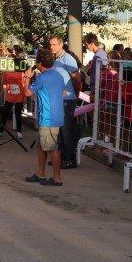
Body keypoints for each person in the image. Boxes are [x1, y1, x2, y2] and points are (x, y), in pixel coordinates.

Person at [22, 49, 66, 186]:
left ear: (39, 63)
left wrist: (27, 77)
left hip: (48, 117)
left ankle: (57, 178)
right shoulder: (57, 75)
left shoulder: (42, 77)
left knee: (52, 148)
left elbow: (27, 93)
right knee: (41, 146)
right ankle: (40, 173)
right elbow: (63, 92)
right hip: (53, 116)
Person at [48, 35, 82, 168]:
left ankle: (70, 158)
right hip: (57, 99)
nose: (52, 47)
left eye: (54, 45)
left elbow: (76, 78)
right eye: (50, 45)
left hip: (67, 100)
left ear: (61, 45)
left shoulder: (68, 59)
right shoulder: (54, 59)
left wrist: (74, 93)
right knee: (59, 130)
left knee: (66, 130)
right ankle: (60, 157)